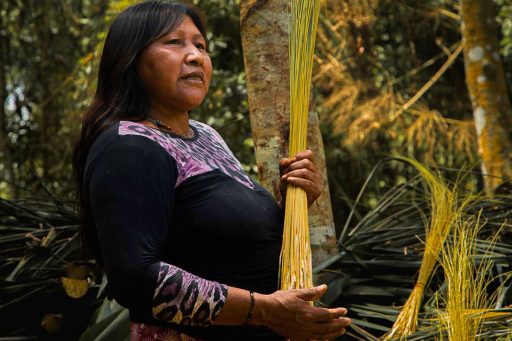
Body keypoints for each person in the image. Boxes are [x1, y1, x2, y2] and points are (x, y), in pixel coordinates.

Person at [73, 1, 351, 340]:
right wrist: (263, 310)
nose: (195, 56)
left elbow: (234, 251)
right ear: (131, 60)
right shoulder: (128, 145)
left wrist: (294, 203)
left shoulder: (206, 136)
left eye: (200, 45)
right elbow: (136, 280)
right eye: (174, 42)